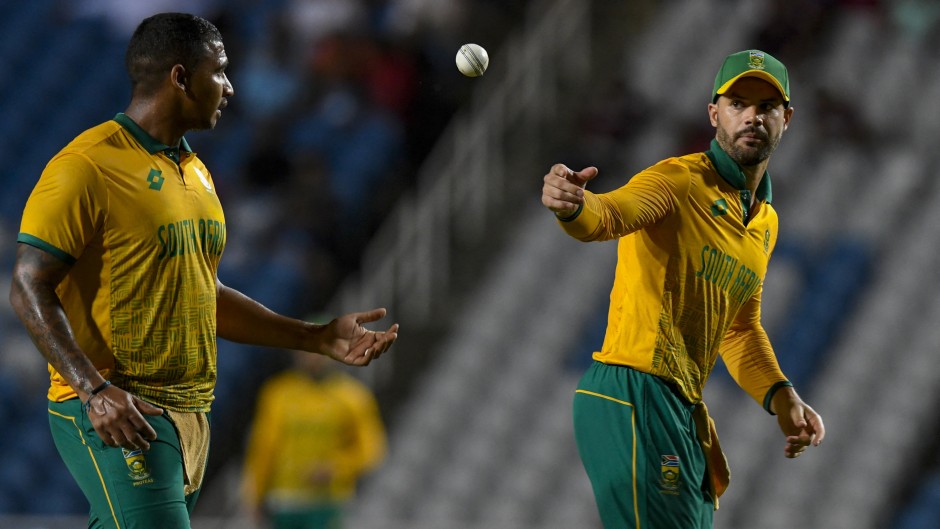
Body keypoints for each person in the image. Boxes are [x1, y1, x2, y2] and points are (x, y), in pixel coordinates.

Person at [7, 12, 398, 529]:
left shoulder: (196, 173)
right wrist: (93, 390)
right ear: (180, 77)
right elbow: (27, 284)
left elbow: (204, 295)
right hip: (120, 407)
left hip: (189, 417)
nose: (231, 86)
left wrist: (316, 337)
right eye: (220, 71)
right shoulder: (87, 165)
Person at [540, 49, 826, 529]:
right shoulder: (677, 181)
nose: (752, 116)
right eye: (738, 103)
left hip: (680, 411)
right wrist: (571, 205)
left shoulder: (765, 223)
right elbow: (606, 216)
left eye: (767, 106)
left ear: (787, 118)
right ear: (714, 113)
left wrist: (782, 398)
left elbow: (738, 329)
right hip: (632, 393)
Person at [241, 348, 387, 529]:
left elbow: (371, 449)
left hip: (327, 501)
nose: (312, 357)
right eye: (307, 349)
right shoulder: (278, 393)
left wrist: (336, 468)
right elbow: (262, 447)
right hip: (284, 500)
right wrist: (254, 495)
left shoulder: (353, 396)